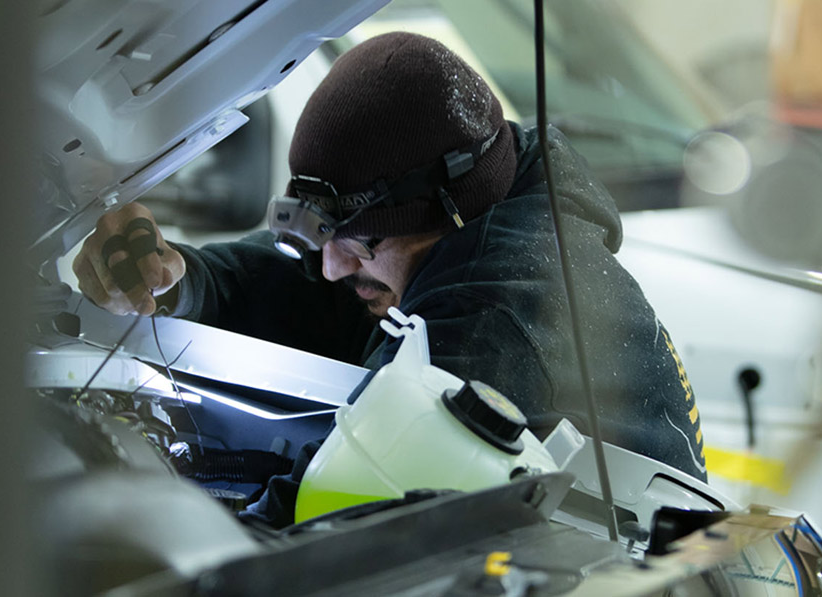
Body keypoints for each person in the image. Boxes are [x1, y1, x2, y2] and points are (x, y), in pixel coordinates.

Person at [74, 32, 708, 523]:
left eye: (357, 240)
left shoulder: (495, 313)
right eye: (318, 231)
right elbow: (306, 282)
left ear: (448, 213)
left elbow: (329, 513)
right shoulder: (465, 218)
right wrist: (182, 279)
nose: (330, 265)